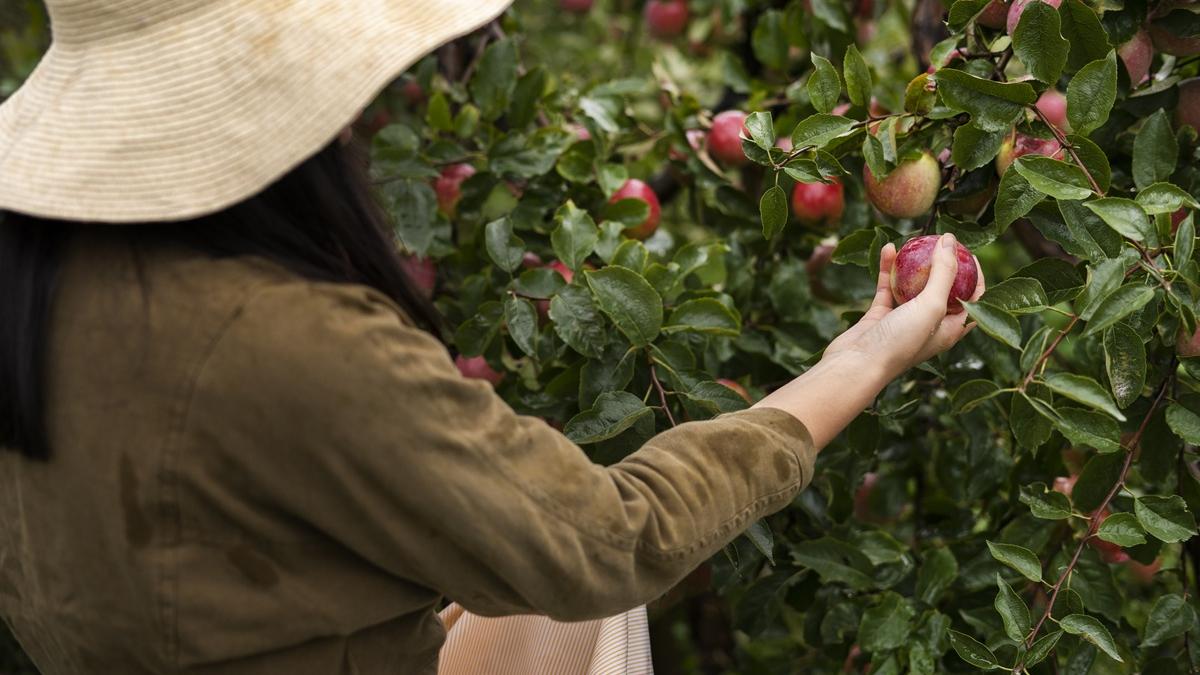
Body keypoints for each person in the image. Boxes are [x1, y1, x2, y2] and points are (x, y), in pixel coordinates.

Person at [0, 0, 984, 673]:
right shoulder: (289, 339)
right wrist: (858, 363)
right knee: (590, 580)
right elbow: (610, 539)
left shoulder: (38, 276)